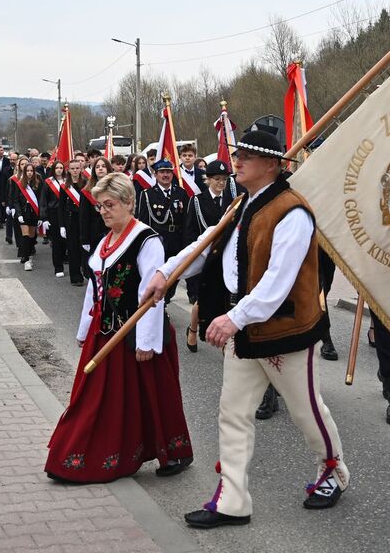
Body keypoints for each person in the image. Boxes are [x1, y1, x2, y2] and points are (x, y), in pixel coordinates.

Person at [143, 130, 349, 529]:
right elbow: (206, 244)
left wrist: (234, 317)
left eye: (247, 157)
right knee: (233, 413)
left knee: (306, 410)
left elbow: (278, 281)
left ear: (271, 164)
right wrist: (166, 273)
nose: (236, 162)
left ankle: (335, 471)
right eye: (238, 156)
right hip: (245, 330)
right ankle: (233, 498)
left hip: (285, 330)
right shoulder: (241, 205)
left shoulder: (293, 212)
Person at [45, 172, 193, 483]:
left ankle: (174, 451)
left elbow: (151, 295)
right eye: (99, 207)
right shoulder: (104, 241)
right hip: (104, 334)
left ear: (128, 202)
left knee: (155, 394)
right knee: (98, 398)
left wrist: (147, 342)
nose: (103, 212)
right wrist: (85, 329)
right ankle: (86, 453)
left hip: (135, 334)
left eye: (109, 205)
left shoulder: (146, 239)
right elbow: (94, 290)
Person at [182, 160, 232, 352]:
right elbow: (190, 231)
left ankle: (225, 341)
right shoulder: (197, 201)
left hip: (224, 257)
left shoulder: (231, 200)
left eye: (224, 179)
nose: (221, 183)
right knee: (201, 300)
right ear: (208, 180)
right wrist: (192, 258)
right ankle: (193, 329)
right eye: (217, 179)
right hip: (204, 256)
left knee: (224, 299)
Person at [137, 159, 189, 303]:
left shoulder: (181, 193)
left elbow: (186, 221)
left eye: (168, 172)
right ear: (155, 174)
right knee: (157, 274)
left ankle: (166, 298)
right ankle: (161, 303)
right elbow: (143, 221)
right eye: (162, 172)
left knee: (174, 275)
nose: (165, 175)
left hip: (176, 240)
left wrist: (186, 242)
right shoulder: (147, 195)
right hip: (158, 241)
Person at [79, 157, 111, 272]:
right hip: (94, 232)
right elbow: (83, 217)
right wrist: (84, 239)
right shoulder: (87, 191)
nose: (100, 169)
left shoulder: (115, 188)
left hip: (112, 230)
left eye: (103, 166)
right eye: (97, 167)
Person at [60, 156, 87, 286]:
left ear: (81, 169)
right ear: (68, 170)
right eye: (72, 169)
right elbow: (61, 207)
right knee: (73, 249)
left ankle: (85, 271)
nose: (75, 171)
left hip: (84, 219)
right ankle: (75, 277)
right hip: (71, 220)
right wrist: (61, 226)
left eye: (77, 168)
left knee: (84, 247)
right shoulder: (65, 186)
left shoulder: (86, 183)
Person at [12, 162, 44, 271]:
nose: (29, 173)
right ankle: (26, 259)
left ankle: (28, 255)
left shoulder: (38, 184)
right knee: (25, 235)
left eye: (31, 171)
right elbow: (16, 200)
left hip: (34, 213)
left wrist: (41, 216)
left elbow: (41, 200)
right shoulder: (19, 183)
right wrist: (19, 214)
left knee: (31, 237)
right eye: (27, 171)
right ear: (24, 172)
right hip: (23, 213)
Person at [41, 161, 67, 277]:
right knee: (56, 242)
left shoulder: (68, 181)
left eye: (61, 168)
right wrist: (44, 217)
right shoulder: (48, 182)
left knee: (65, 241)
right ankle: (58, 267)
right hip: (53, 214)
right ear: (53, 169)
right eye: (57, 168)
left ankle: (64, 259)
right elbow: (43, 201)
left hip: (67, 214)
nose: (59, 170)